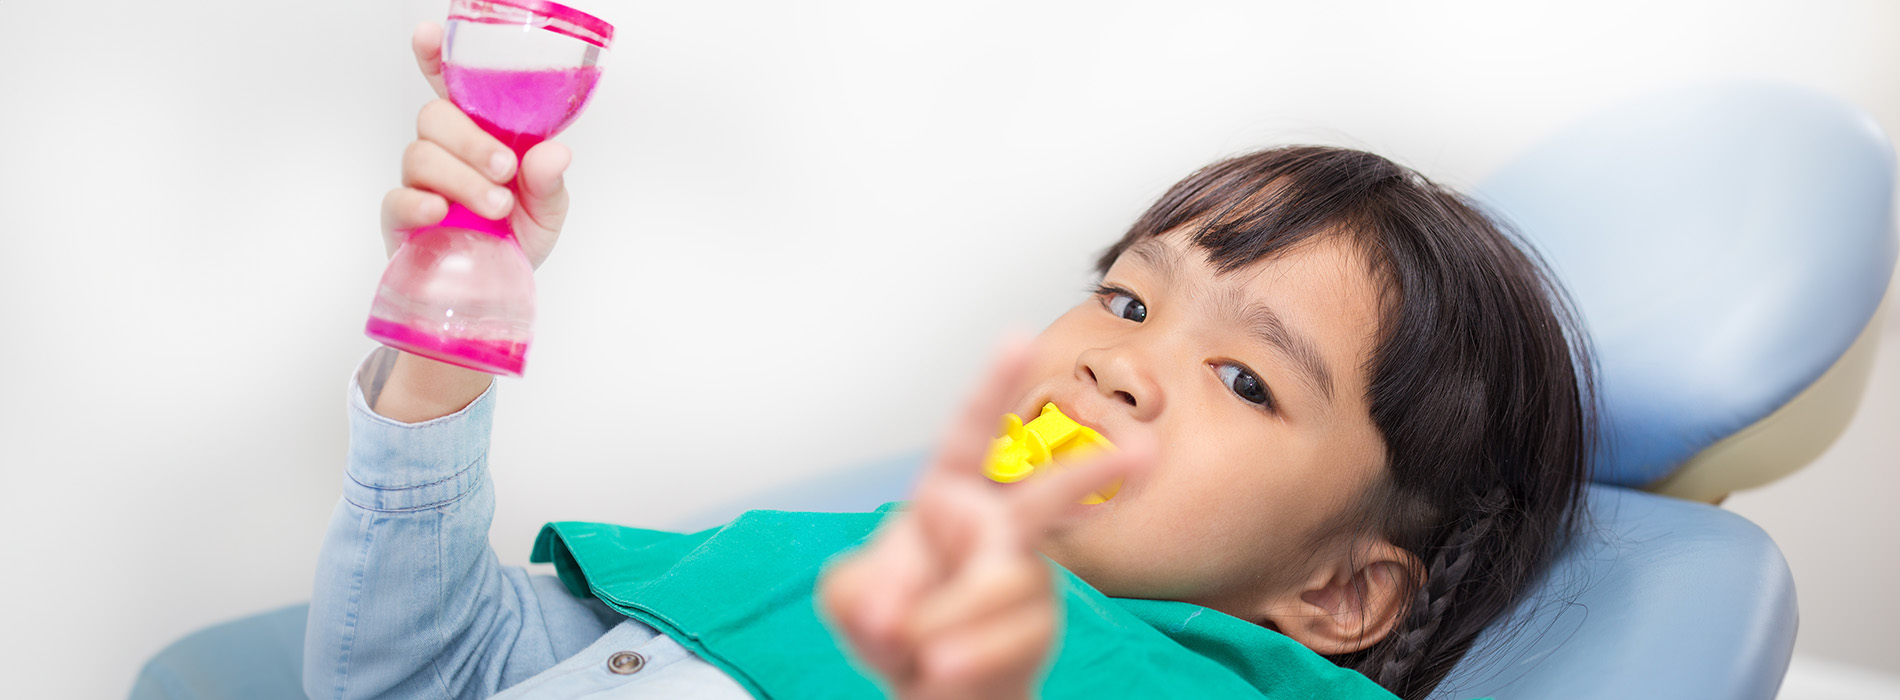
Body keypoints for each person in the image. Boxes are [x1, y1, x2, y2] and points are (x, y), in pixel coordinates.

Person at [306, 23, 1593, 700]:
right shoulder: (820, 569)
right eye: (1126, 301)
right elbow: (422, 678)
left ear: (1337, 598)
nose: (1115, 367)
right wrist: (449, 323)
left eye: (1245, 379)